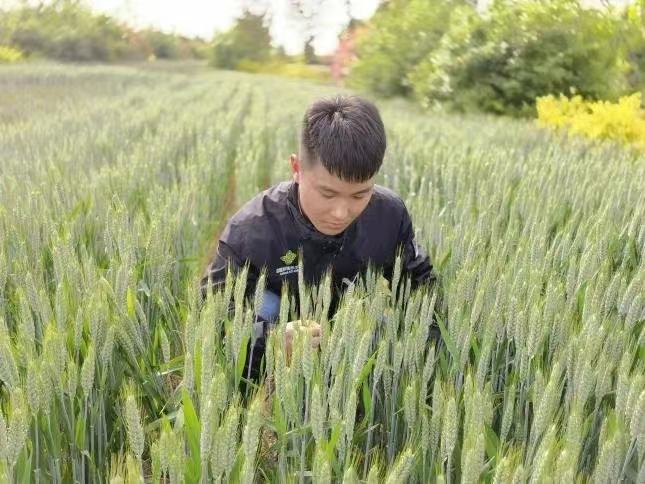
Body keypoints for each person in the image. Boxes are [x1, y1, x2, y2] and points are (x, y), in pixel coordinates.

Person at [199, 94, 440, 385]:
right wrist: (269, 340)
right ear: (297, 169)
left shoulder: (389, 213)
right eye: (327, 194)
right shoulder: (251, 230)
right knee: (265, 306)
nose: (341, 212)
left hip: (346, 324)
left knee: (384, 322)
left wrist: (424, 362)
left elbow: (421, 285)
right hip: (277, 327)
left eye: (360, 195)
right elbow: (212, 312)